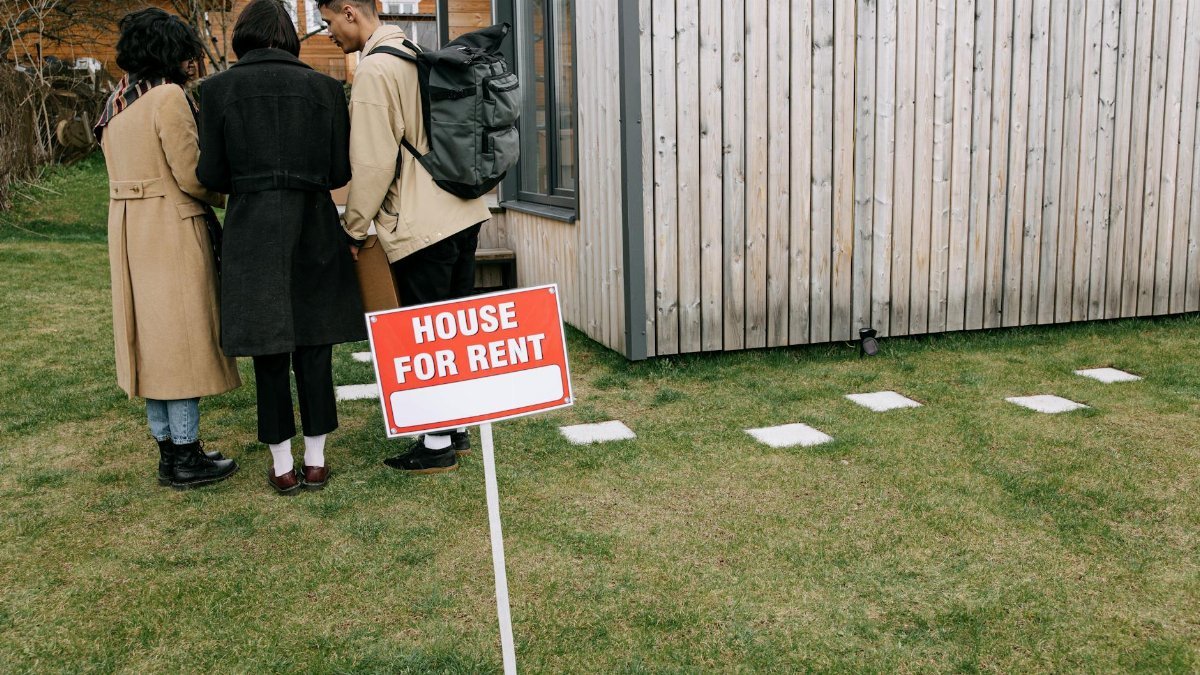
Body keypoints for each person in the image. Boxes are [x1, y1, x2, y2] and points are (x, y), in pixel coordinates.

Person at [198, 0, 365, 495]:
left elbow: (210, 174)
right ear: (290, 37)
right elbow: (339, 172)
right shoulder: (326, 89)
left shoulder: (216, 90)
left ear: (243, 36)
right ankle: (315, 460)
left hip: (251, 226)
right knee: (314, 343)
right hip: (313, 221)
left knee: (269, 349)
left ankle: (281, 465)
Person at [318, 0, 492, 474]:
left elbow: (372, 165)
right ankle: (454, 429)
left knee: (425, 333)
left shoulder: (375, 71)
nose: (328, 32)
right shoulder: (415, 52)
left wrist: (353, 228)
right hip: (461, 208)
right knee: (452, 329)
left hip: (421, 221)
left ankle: (434, 444)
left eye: (328, 21)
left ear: (349, 12)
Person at [95, 8, 240, 490]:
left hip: (131, 230)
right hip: (171, 228)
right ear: (167, 52)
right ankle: (185, 455)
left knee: (153, 344)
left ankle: (169, 451)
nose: (192, 59)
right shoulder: (167, 97)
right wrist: (230, 191)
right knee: (180, 342)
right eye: (185, 50)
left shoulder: (116, 101)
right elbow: (191, 175)